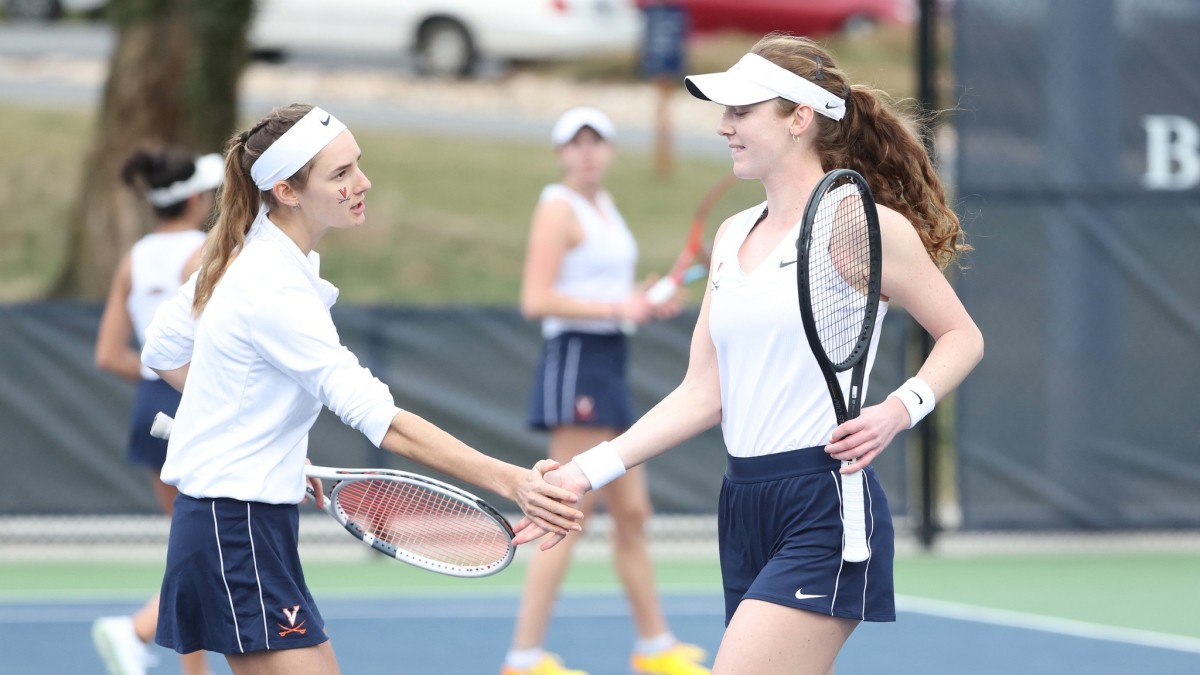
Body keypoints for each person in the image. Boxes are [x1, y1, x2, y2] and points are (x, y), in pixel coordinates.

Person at [521, 34, 985, 675]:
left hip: (824, 500)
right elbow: (701, 392)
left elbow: (962, 336)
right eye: (725, 112)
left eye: (741, 112)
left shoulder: (862, 225)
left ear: (799, 118)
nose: (723, 126)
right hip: (743, 503)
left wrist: (900, 409)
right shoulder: (733, 232)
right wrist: (584, 472)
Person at [138, 103, 584, 674]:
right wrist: (515, 482)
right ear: (287, 191)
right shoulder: (273, 288)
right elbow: (387, 423)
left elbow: (164, 350)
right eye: (340, 173)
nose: (362, 183)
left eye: (357, 166)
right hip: (235, 527)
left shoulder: (248, 258)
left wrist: (253, 440)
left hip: (249, 523)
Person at [502, 106, 708, 675]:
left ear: (610, 151)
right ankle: (523, 659)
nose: (587, 152)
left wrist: (642, 299)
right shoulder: (557, 206)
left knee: (633, 513)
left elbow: (608, 290)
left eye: (597, 142)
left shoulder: (605, 206)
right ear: (561, 152)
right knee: (567, 511)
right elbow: (536, 299)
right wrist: (619, 307)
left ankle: (654, 647)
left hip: (610, 359)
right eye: (576, 142)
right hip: (577, 361)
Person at [92, 146, 223, 675]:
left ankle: (187, 666)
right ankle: (137, 628)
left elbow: (109, 354)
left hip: (154, 405)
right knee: (205, 544)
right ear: (194, 198)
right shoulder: (208, 252)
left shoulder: (136, 256)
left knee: (189, 545)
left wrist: (156, 379)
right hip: (195, 403)